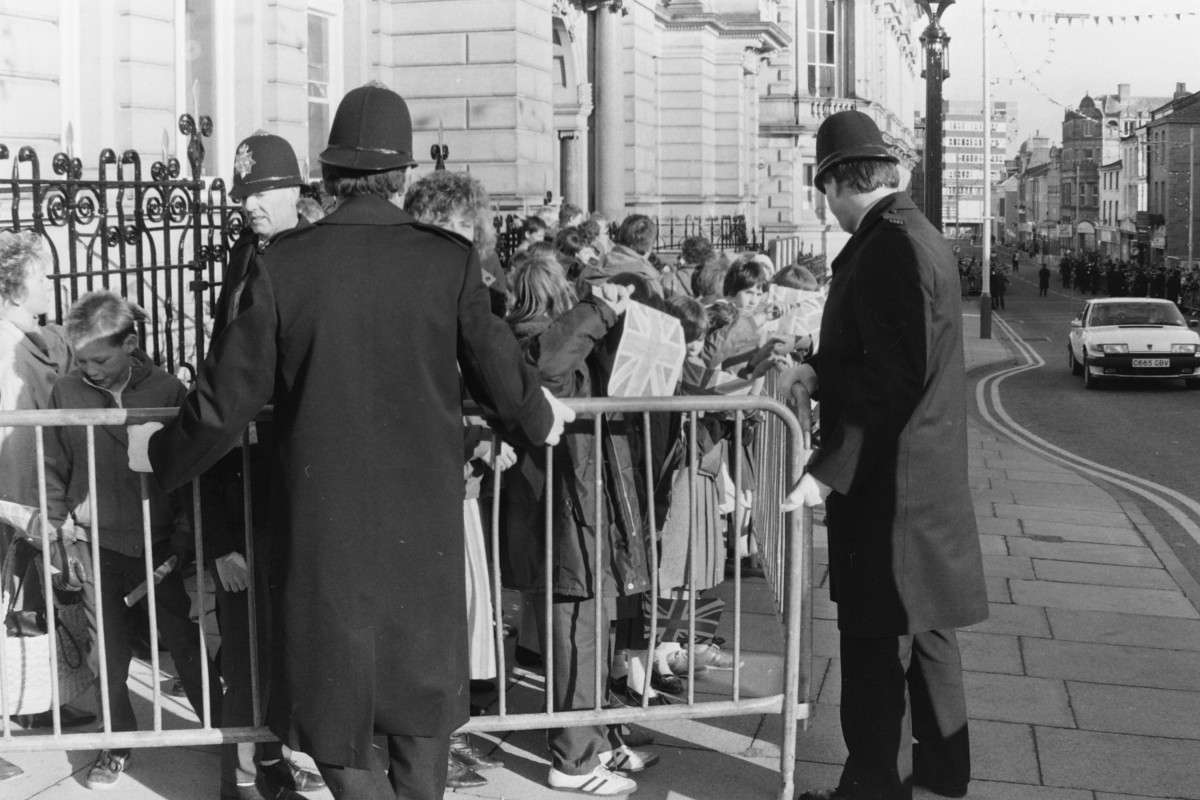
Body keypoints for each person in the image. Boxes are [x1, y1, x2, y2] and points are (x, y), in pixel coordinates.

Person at [131, 83, 573, 800]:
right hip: (419, 527)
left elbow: (222, 402)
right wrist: (542, 419)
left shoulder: (286, 264)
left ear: (331, 173)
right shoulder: (446, 261)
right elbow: (502, 375)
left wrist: (157, 454)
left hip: (324, 529)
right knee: (420, 717)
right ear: (401, 174)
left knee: (329, 709)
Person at [780, 110, 987, 800]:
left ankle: (871, 790)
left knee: (874, 653)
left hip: (889, 494)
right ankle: (940, 777)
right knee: (927, 641)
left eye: (824, 191)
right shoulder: (911, 233)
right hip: (920, 486)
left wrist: (826, 472)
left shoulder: (888, 245)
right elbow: (888, 357)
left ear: (838, 182)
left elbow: (892, 380)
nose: (826, 207)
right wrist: (820, 369)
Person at [42, 290, 224, 792]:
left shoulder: (166, 389)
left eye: (100, 359)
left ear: (132, 344)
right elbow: (55, 468)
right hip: (97, 544)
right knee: (108, 653)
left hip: (160, 545)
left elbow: (190, 470)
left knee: (183, 639)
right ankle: (119, 743)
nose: (90, 371)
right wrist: (62, 533)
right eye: (81, 361)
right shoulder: (66, 392)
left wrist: (185, 538)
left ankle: (225, 730)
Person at [207, 131, 323, 800]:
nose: (248, 205)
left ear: (295, 192)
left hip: (306, 491)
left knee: (300, 651)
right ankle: (250, 783)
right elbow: (225, 394)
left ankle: (283, 768)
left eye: (261, 193)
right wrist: (221, 535)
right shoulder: (244, 261)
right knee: (250, 658)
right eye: (243, 194)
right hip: (253, 494)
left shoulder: (311, 262)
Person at [0, 231, 97, 784]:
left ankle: (36, 702)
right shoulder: (7, 348)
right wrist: (29, 512)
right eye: (41, 277)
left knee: (29, 611)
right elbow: (11, 440)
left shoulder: (34, 337)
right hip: (18, 502)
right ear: (16, 289)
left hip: (34, 497)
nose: (50, 285)